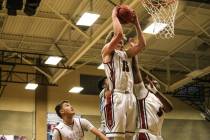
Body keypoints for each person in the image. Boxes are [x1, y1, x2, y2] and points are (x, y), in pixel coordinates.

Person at [101, 5, 146, 140]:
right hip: (117, 95)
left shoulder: (126, 54)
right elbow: (119, 34)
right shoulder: (106, 52)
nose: (121, 41)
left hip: (130, 96)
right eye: (118, 41)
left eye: (122, 42)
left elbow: (142, 44)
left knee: (129, 137)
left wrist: (136, 23)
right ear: (111, 42)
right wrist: (114, 15)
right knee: (118, 137)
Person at [131, 56, 173, 140]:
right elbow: (136, 71)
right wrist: (134, 55)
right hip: (145, 133)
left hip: (157, 135)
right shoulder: (143, 93)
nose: (154, 82)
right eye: (152, 81)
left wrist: (156, 91)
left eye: (156, 82)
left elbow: (170, 108)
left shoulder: (160, 99)